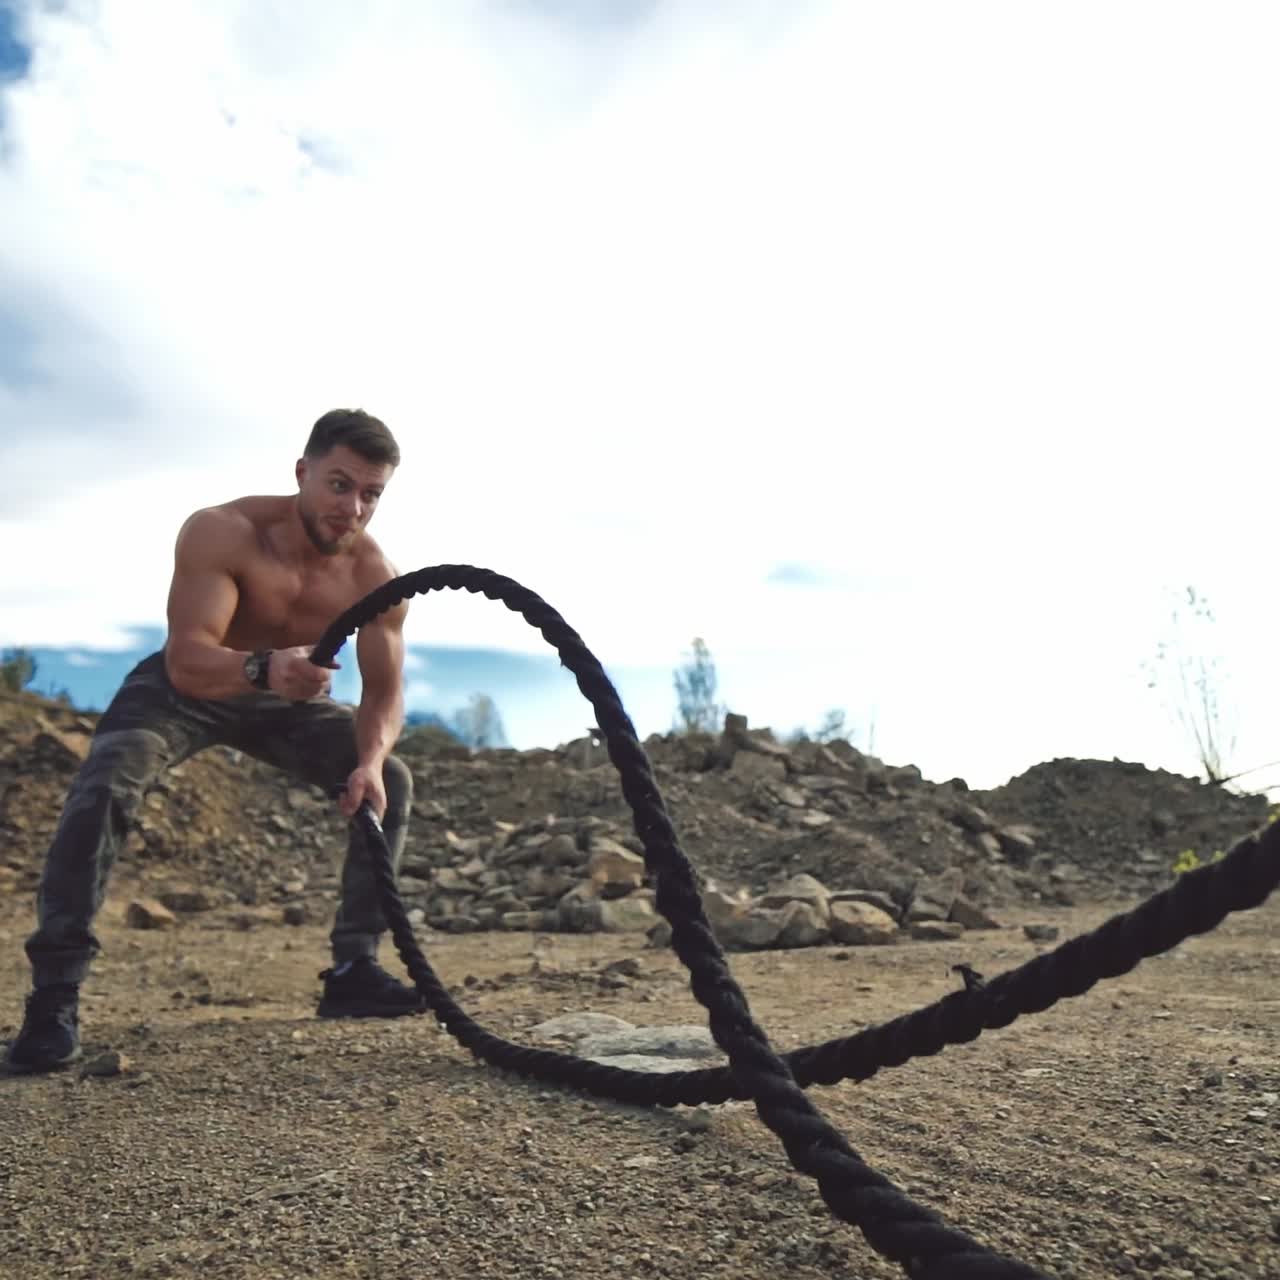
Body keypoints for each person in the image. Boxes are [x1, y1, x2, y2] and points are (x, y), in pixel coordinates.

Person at [6, 408, 424, 1074]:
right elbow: (186, 659)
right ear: (303, 472)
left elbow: (382, 695)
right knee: (109, 775)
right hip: (194, 683)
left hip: (285, 699)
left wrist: (368, 762)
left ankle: (354, 970)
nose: (354, 507)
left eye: (371, 493)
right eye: (339, 485)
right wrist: (259, 665)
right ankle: (54, 999)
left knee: (389, 784)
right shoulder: (223, 532)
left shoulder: (377, 581)